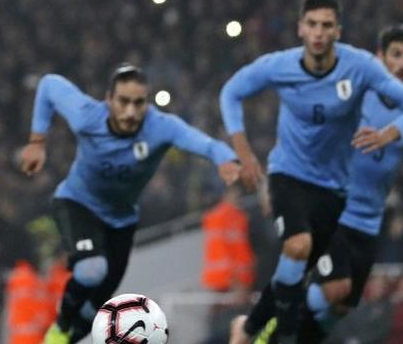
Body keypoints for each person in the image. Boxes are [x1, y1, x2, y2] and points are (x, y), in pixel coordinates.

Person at [221, 0, 403, 343]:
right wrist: (244, 153)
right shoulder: (279, 65)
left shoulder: (359, 66)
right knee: (298, 247)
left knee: (303, 273)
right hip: (288, 175)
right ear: (300, 29)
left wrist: (387, 134)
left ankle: (249, 328)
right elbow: (231, 92)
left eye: (326, 25)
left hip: (333, 187)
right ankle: (282, 337)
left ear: (337, 31)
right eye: (312, 24)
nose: (318, 32)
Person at [20, 65, 241, 343]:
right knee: (91, 271)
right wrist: (37, 141)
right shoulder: (87, 115)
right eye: (123, 101)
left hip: (121, 220)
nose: (131, 111)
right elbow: (49, 84)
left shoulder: (160, 126)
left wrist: (225, 158)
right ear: (109, 99)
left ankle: (67, 338)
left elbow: (206, 143)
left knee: (100, 302)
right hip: (77, 204)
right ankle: (60, 327)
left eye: (139, 103)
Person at [293, 24, 403, 341]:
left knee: (342, 305)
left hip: (369, 218)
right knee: (336, 287)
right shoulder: (353, 91)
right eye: (396, 55)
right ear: (380, 57)